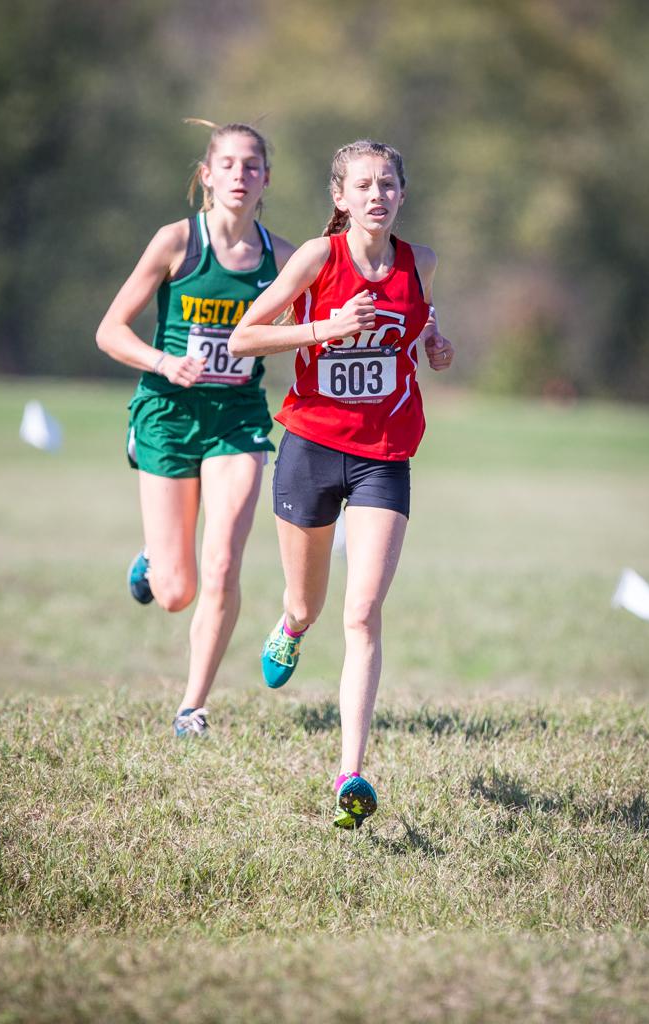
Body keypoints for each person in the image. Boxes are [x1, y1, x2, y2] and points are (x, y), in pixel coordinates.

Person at [229, 139, 454, 828]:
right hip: (310, 449)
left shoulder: (422, 263)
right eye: (363, 185)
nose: (377, 195)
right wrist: (326, 325)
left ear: (402, 194)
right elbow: (244, 336)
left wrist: (435, 344)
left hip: (385, 453)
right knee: (312, 603)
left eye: (388, 183)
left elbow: (421, 320)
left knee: (363, 614)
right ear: (340, 197)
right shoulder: (318, 260)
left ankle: (351, 773)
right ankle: (291, 625)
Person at [96, 120, 294, 738]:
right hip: (168, 414)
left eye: (252, 166)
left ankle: (192, 707)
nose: (240, 175)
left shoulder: (282, 257)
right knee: (176, 590)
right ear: (207, 176)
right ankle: (155, 558)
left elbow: (332, 318)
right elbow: (110, 330)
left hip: (238, 419)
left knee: (223, 562)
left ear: (265, 181)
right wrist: (163, 361)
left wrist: (424, 331)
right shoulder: (176, 242)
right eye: (228, 165)